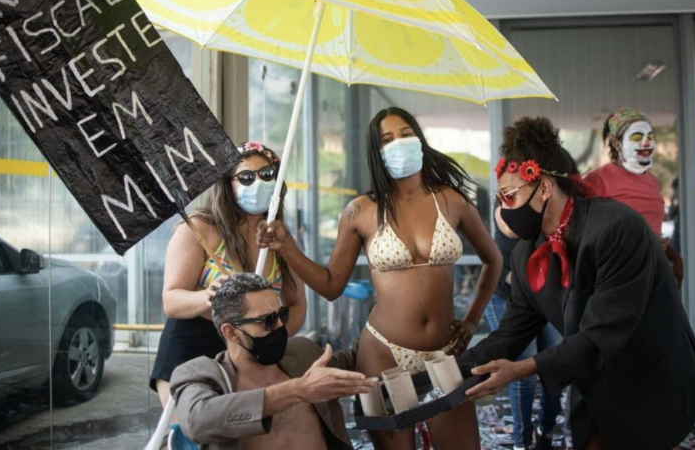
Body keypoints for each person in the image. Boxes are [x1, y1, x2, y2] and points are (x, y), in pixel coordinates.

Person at [461, 117, 695, 450]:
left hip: (649, 373)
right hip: (594, 372)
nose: (503, 209)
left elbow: (602, 332)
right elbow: (510, 334)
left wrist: (522, 369)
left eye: (509, 197)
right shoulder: (525, 253)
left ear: (544, 188)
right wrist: (437, 374)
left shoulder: (618, 228)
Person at [262, 107, 502, 450]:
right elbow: (331, 285)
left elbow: (493, 260)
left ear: (419, 139)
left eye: (406, 134)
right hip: (383, 354)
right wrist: (286, 246)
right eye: (387, 139)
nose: (399, 143)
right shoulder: (360, 211)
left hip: (444, 353)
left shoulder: (452, 201)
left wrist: (472, 320)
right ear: (377, 151)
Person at [151, 142, 307, 408]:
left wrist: (269, 337)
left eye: (266, 174)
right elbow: (171, 301)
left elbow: (297, 305)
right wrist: (207, 296)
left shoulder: (280, 239)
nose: (258, 183)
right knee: (194, 430)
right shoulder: (199, 228)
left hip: (250, 355)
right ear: (226, 184)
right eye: (246, 177)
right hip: (191, 349)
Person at [172, 273, 372, 450]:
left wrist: (385, 312)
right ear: (231, 332)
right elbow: (197, 421)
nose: (280, 326)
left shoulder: (303, 353)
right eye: (267, 321)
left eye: (281, 315)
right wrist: (299, 390)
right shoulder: (201, 375)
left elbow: (358, 358)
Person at [487, 210, 563, 450]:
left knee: (556, 367)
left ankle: (546, 432)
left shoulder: (554, 205)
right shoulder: (508, 204)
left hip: (545, 296)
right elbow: (512, 228)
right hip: (506, 297)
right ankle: (522, 443)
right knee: (523, 373)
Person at [584, 108, 684, 287]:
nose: (646, 143)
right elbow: (587, 237)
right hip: (617, 278)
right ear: (617, 144)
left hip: (655, 274)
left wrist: (675, 258)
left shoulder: (653, 181)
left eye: (650, 136)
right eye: (636, 137)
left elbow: (653, 233)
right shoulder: (597, 180)